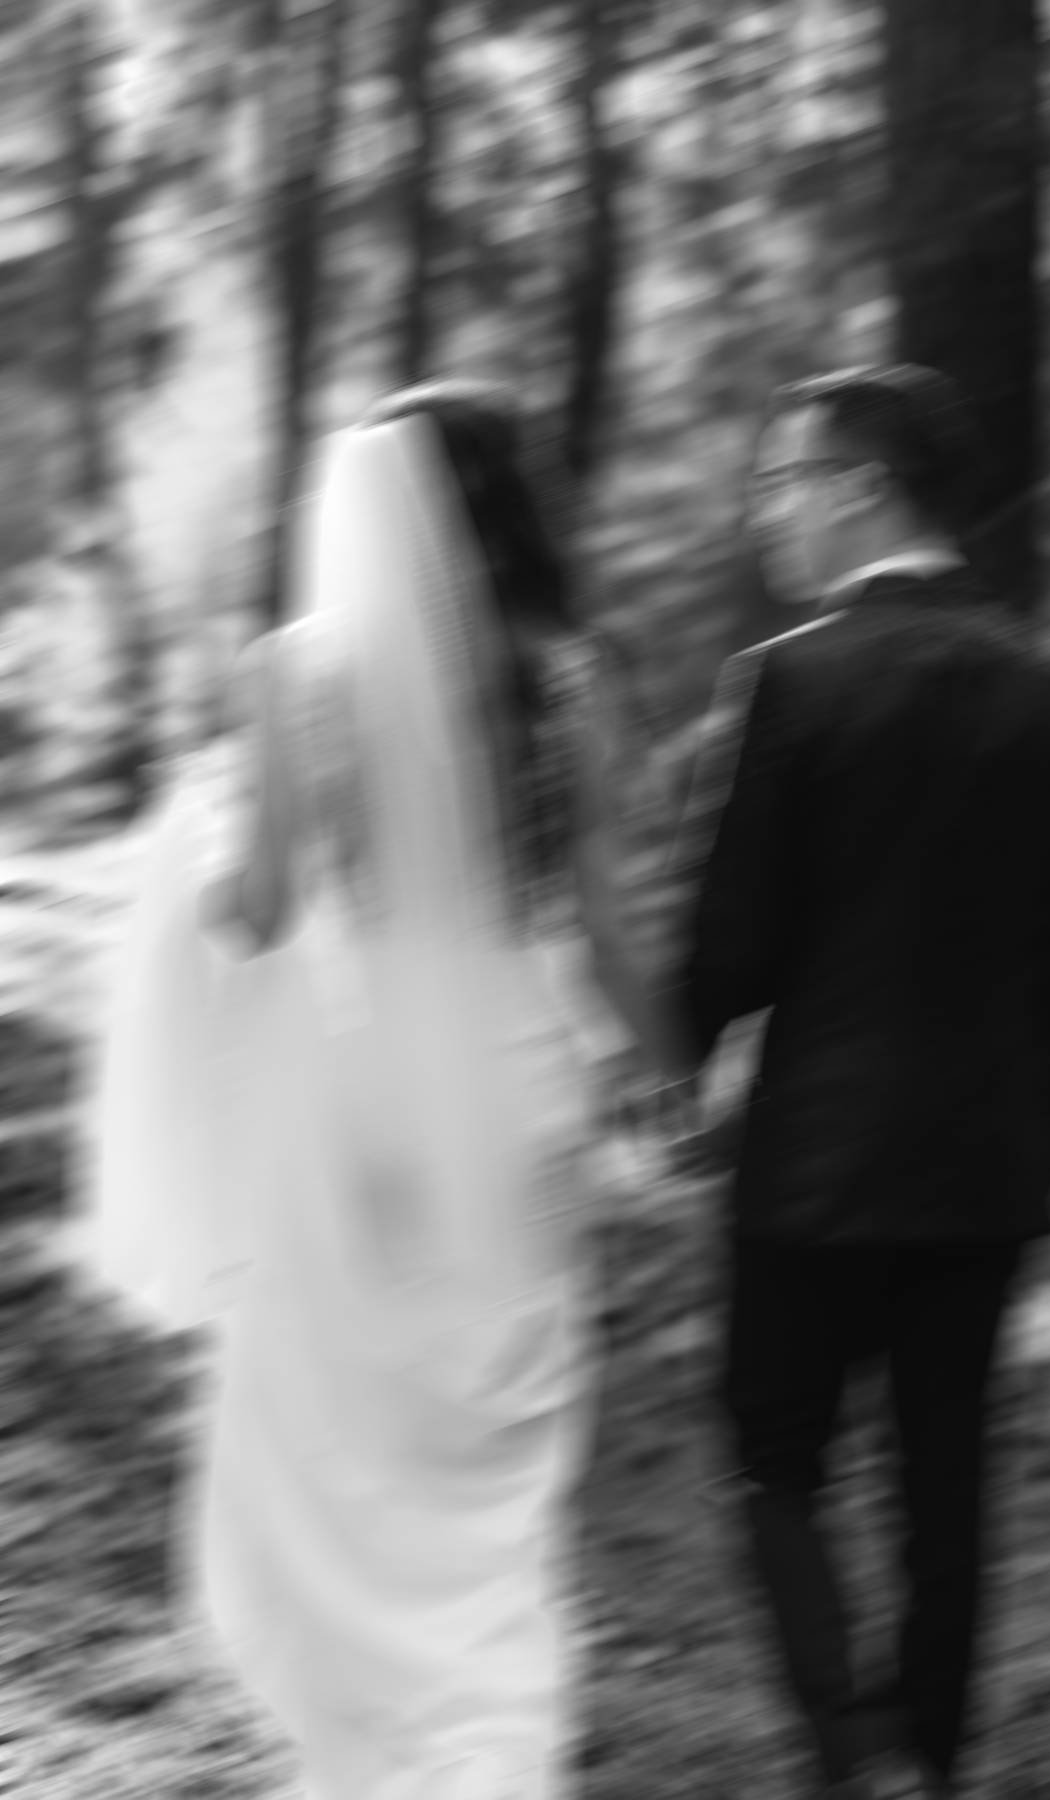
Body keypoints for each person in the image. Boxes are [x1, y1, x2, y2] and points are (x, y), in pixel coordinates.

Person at [79, 380, 659, 1800]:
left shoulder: (298, 673)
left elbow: (264, 909)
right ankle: (492, 1745)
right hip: (523, 1080)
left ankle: (382, 1746)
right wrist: (679, 1067)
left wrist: (189, 865)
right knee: (500, 1451)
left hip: (363, 1093)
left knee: (364, 1430)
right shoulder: (567, 681)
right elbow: (613, 924)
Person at [661, 367, 1050, 1799]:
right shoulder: (1047, 680)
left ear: (861, 490)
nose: (764, 511)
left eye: (782, 481)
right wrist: (1049, 1143)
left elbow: (730, 944)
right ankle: (933, 1759)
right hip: (988, 1163)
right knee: (946, 1491)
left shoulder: (787, 680)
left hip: (812, 1165)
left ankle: (852, 1756)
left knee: (772, 1455)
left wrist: (685, 1074)